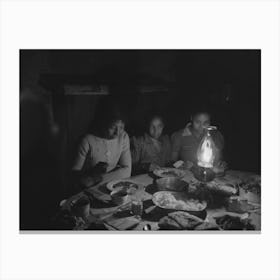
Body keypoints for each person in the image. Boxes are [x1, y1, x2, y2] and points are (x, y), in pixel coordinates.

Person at [72, 108, 132, 188]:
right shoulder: (87, 140)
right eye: (112, 127)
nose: (117, 133)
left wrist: (97, 179)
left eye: (121, 127)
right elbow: (74, 176)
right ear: (103, 123)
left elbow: (127, 170)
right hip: (87, 189)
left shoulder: (123, 137)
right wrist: (90, 174)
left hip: (110, 186)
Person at [171, 109, 227, 173]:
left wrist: (221, 165)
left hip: (210, 173)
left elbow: (219, 159)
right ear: (191, 118)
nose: (201, 126)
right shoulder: (179, 135)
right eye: (197, 122)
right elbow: (173, 160)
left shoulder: (216, 135)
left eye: (205, 123)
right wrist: (181, 165)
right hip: (188, 174)